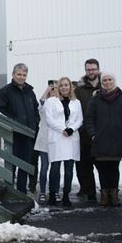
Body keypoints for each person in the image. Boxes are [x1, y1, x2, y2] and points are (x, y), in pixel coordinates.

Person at [84, 72, 122, 206]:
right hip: (100, 140)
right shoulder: (95, 99)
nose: (107, 82)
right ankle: (105, 195)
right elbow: (89, 119)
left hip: (117, 139)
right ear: (102, 82)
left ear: (114, 81)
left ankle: (114, 194)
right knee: (102, 169)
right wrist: (93, 134)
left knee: (114, 168)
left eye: (110, 79)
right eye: (105, 80)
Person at [0, 63, 40, 193]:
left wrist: (35, 123)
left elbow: (36, 109)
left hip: (28, 135)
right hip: (12, 134)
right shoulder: (5, 91)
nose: (21, 77)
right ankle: (8, 191)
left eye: (24, 75)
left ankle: (21, 192)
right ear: (13, 74)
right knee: (11, 164)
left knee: (25, 165)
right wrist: (13, 123)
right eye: (19, 74)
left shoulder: (30, 91)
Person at [44, 77, 83, 206]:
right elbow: (49, 120)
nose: (64, 88)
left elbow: (79, 119)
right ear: (58, 88)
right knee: (55, 168)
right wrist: (63, 129)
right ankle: (52, 195)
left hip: (71, 138)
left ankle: (66, 196)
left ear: (70, 87)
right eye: (61, 85)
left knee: (69, 169)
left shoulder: (76, 102)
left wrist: (71, 129)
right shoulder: (50, 101)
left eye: (66, 85)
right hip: (57, 137)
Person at [74, 59, 101, 202]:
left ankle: (107, 192)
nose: (91, 72)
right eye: (88, 69)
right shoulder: (79, 90)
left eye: (93, 69)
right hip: (84, 134)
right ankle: (89, 192)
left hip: (102, 134)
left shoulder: (106, 85)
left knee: (103, 166)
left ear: (98, 69)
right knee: (85, 166)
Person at [33, 82, 57, 204]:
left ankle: (55, 191)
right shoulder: (44, 105)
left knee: (55, 168)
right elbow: (41, 101)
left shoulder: (60, 104)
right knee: (44, 167)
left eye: (55, 89)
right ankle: (42, 192)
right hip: (44, 140)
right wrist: (47, 90)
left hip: (57, 140)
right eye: (52, 89)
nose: (53, 91)